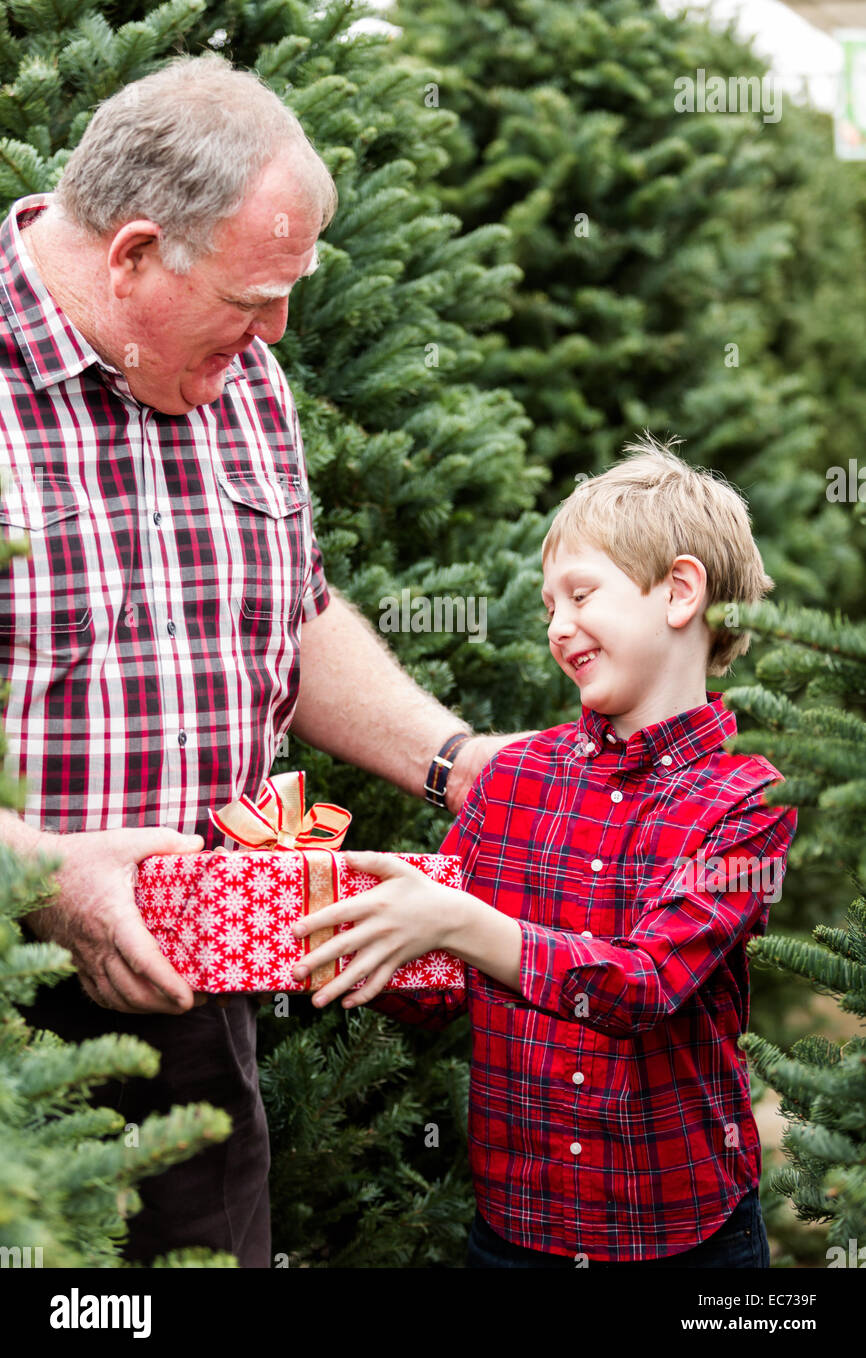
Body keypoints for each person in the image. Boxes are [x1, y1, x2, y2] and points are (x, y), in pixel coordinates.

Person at [0, 54, 527, 1267]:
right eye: (253, 294)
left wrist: (454, 762)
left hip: (182, 1001)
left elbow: (286, 609)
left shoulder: (239, 377)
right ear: (132, 255)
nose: (279, 328)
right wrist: (42, 872)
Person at [291, 435, 799, 1269]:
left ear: (679, 592)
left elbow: (645, 986)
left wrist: (457, 918)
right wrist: (326, 921)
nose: (558, 628)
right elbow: (442, 987)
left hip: (680, 1241)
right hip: (517, 1233)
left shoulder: (745, 805)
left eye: (581, 595)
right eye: (547, 606)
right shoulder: (513, 777)